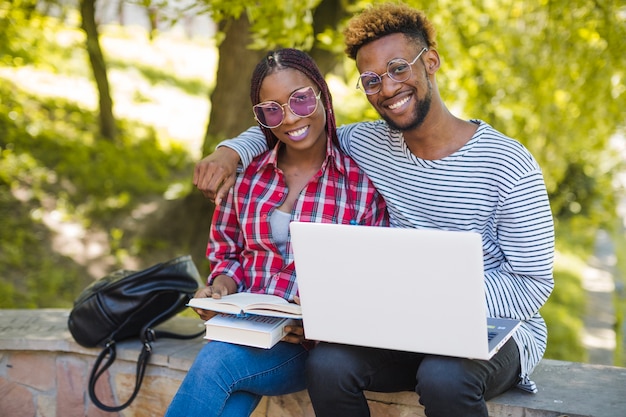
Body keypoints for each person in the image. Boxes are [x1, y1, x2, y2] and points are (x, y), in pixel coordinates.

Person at [192, 3, 555, 417]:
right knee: (328, 365)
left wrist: (437, 299)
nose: (387, 87)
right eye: (371, 79)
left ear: (431, 62)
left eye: (399, 68)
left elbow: (533, 282)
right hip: (398, 326)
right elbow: (292, 128)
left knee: (443, 377)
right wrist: (230, 153)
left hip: (494, 328)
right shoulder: (369, 143)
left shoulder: (508, 164)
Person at [164, 48, 388, 417]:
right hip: (245, 329)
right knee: (228, 398)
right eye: (273, 108)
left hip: (305, 347)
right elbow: (228, 254)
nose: (290, 117)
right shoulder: (246, 179)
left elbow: (370, 280)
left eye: (300, 100)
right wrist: (221, 287)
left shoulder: (359, 188)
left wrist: (322, 314)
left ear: (321, 94)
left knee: (217, 363)